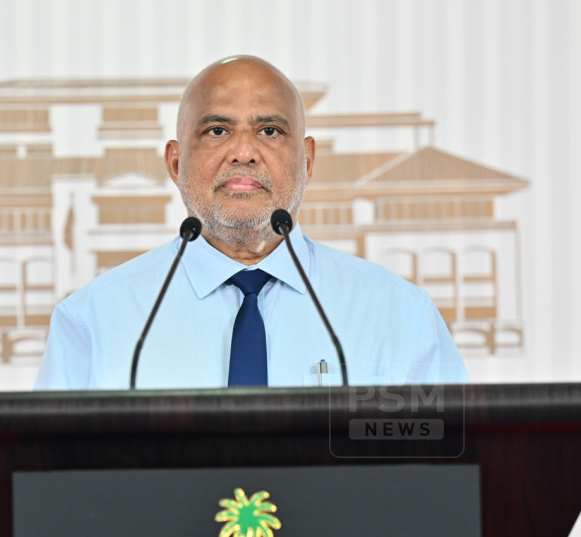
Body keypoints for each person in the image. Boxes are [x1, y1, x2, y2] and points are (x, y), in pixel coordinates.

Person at [35, 56, 467, 390]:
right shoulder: (94, 322)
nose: (244, 152)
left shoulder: (400, 316)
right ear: (176, 163)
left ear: (307, 160)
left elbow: (449, 465)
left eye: (270, 131)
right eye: (217, 131)